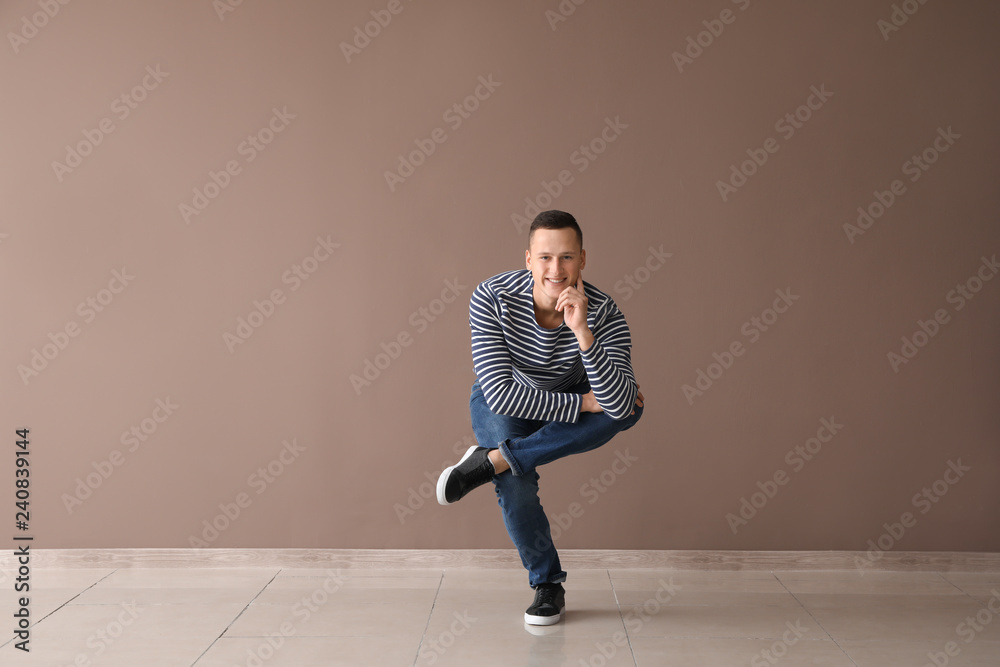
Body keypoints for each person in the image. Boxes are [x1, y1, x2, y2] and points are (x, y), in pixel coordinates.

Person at [436, 210, 645, 626]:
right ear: (528, 259)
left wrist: (583, 331)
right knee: (517, 481)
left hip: (568, 393)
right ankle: (547, 584)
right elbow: (500, 392)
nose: (556, 269)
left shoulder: (603, 312)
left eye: (566, 257)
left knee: (630, 408)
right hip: (507, 400)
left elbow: (622, 407)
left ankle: (490, 460)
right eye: (545, 257)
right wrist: (585, 405)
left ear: (582, 260)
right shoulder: (492, 296)